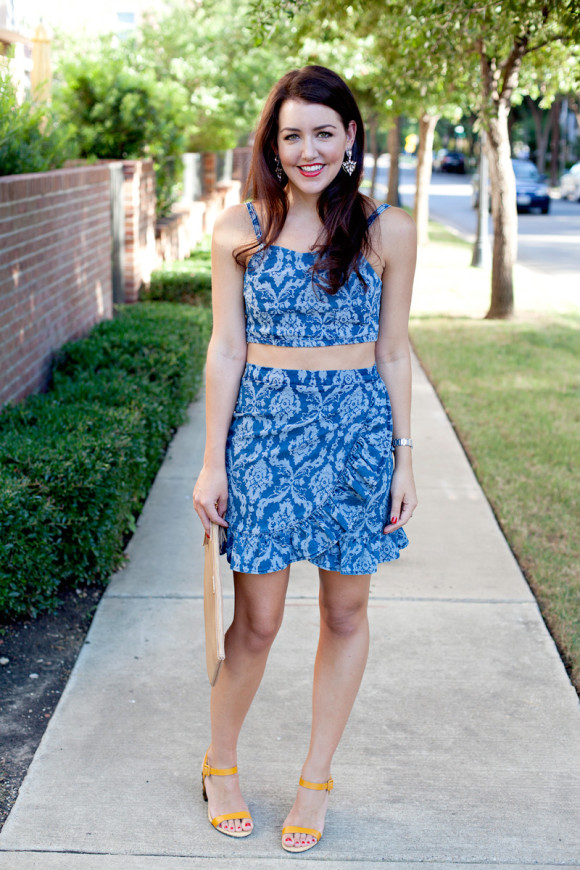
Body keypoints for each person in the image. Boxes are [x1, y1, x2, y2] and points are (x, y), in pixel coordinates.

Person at [193, 64, 417, 854]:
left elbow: (394, 351)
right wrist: (213, 462)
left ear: (350, 137)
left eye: (324, 132)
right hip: (262, 443)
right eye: (293, 135)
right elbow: (226, 350)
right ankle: (221, 764)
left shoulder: (388, 229)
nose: (309, 149)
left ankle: (315, 780)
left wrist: (404, 457)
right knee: (255, 624)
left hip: (355, 444)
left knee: (345, 613)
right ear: (274, 143)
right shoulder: (239, 229)